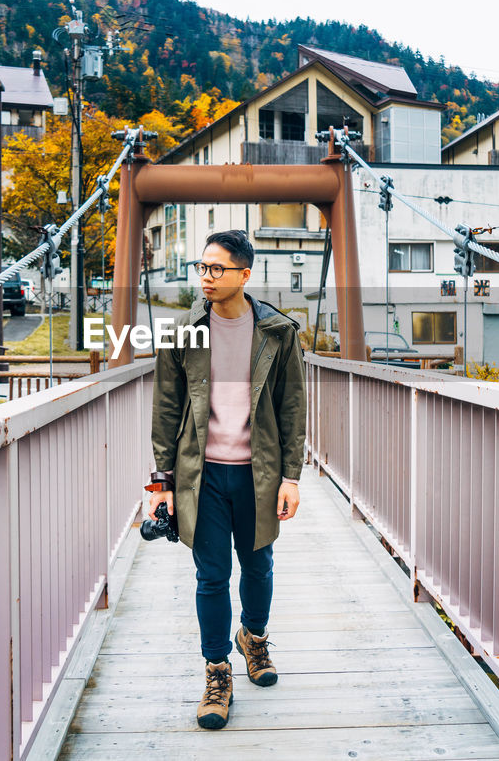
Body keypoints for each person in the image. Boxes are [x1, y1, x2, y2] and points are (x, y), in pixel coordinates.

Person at [148, 229, 307, 730]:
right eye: (202, 267)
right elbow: (166, 408)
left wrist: (291, 477)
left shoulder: (279, 333)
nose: (207, 278)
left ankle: (253, 639)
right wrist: (163, 483)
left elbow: (292, 407)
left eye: (217, 269)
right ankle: (217, 672)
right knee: (211, 575)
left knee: (258, 568)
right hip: (203, 476)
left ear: (245, 274)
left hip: (258, 475)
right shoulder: (184, 330)